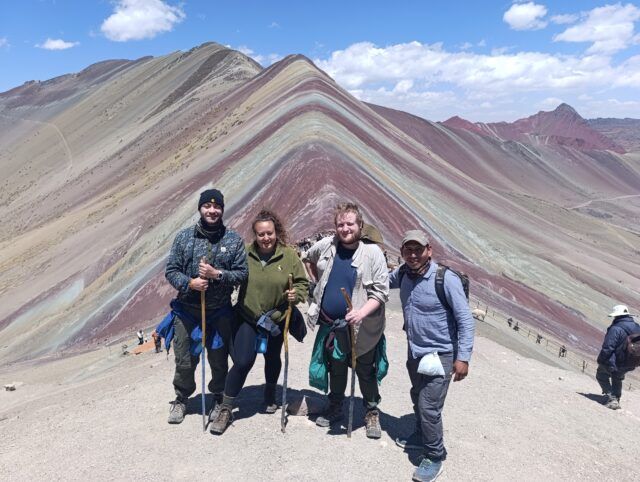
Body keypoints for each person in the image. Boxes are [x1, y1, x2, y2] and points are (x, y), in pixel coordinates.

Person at [209, 210, 309, 434]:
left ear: (276, 232)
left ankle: (269, 394)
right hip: (249, 317)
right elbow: (232, 274)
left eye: (269, 233)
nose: (266, 238)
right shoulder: (245, 254)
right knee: (243, 361)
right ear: (255, 235)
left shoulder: (289, 256)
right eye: (261, 234)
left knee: (273, 357)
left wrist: (297, 294)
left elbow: (302, 283)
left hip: (276, 319)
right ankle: (226, 407)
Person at [389, 230, 475, 482]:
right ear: (402, 252)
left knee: (429, 406)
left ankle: (435, 455)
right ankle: (422, 434)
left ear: (429, 250)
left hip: (442, 353)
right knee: (417, 394)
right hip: (415, 350)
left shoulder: (445, 279)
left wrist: (463, 358)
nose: (413, 255)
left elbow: (465, 320)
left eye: (418, 250)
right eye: (408, 250)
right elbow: (381, 281)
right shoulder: (403, 273)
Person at [303, 203, 389, 439]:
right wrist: (316, 285)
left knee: (365, 369)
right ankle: (336, 405)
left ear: (360, 225)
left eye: (350, 223)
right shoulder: (327, 245)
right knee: (337, 366)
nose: (345, 228)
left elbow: (381, 292)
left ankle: (371, 411)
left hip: (361, 325)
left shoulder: (372, 254)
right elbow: (307, 257)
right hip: (332, 323)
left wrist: (361, 312)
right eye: (340, 224)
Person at [163, 188, 248, 424]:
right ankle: (181, 398)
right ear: (200, 208)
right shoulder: (184, 238)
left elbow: (241, 274)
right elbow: (171, 271)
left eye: (217, 207)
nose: (212, 210)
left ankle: (218, 398)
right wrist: (189, 283)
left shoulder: (233, 241)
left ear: (222, 209)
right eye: (207, 206)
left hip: (220, 312)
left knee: (219, 360)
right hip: (187, 311)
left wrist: (217, 274)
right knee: (185, 359)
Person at [596, 304, 640, 410]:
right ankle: (616, 399)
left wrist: (601, 360)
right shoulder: (637, 327)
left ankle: (612, 398)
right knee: (617, 378)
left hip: (615, 361)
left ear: (617, 316)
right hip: (631, 361)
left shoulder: (616, 328)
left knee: (601, 375)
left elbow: (608, 347)